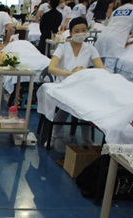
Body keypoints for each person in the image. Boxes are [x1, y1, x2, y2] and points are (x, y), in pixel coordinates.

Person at [47, 17, 104, 148]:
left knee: (86, 106)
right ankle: (53, 135)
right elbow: (51, 68)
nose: (80, 33)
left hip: (82, 84)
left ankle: (87, 140)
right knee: (67, 105)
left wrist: (85, 72)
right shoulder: (63, 47)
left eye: (83, 30)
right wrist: (69, 74)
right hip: (64, 84)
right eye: (77, 31)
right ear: (71, 32)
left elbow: (101, 69)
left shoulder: (90, 48)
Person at [95, 0, 133, 72]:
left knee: (97, 67)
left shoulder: (116, 11)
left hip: (102, 36)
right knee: (108, 70)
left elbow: (113, 26)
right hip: (115, 40)